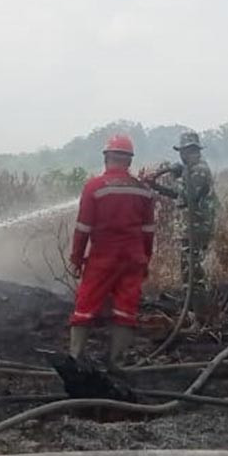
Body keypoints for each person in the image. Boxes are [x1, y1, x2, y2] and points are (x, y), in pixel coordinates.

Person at [68, 134, 156, 369]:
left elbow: (83, 227)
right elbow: (149, 231)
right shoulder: (144, 190)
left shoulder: (93, 187)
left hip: (102, 258)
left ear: (107, 158)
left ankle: (75, 360)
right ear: (128, 161)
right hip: (133, 257)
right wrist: (145, 259)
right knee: (125, 310)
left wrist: (76, 258)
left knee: (85, 306)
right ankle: (117, 364)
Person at [147, 131, 217, 299]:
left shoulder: (199, 170)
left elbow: (189, 195)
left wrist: (175, 175)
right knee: (188, 271)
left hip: (197, 229)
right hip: (190, 229)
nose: (183, 155)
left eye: (187, 151)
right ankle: (191, 308)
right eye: (182, 152)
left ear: (193, 150)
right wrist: (156, 186)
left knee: (194, 272)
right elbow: (177, 194)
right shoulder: (190, 170)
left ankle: (198, 312)